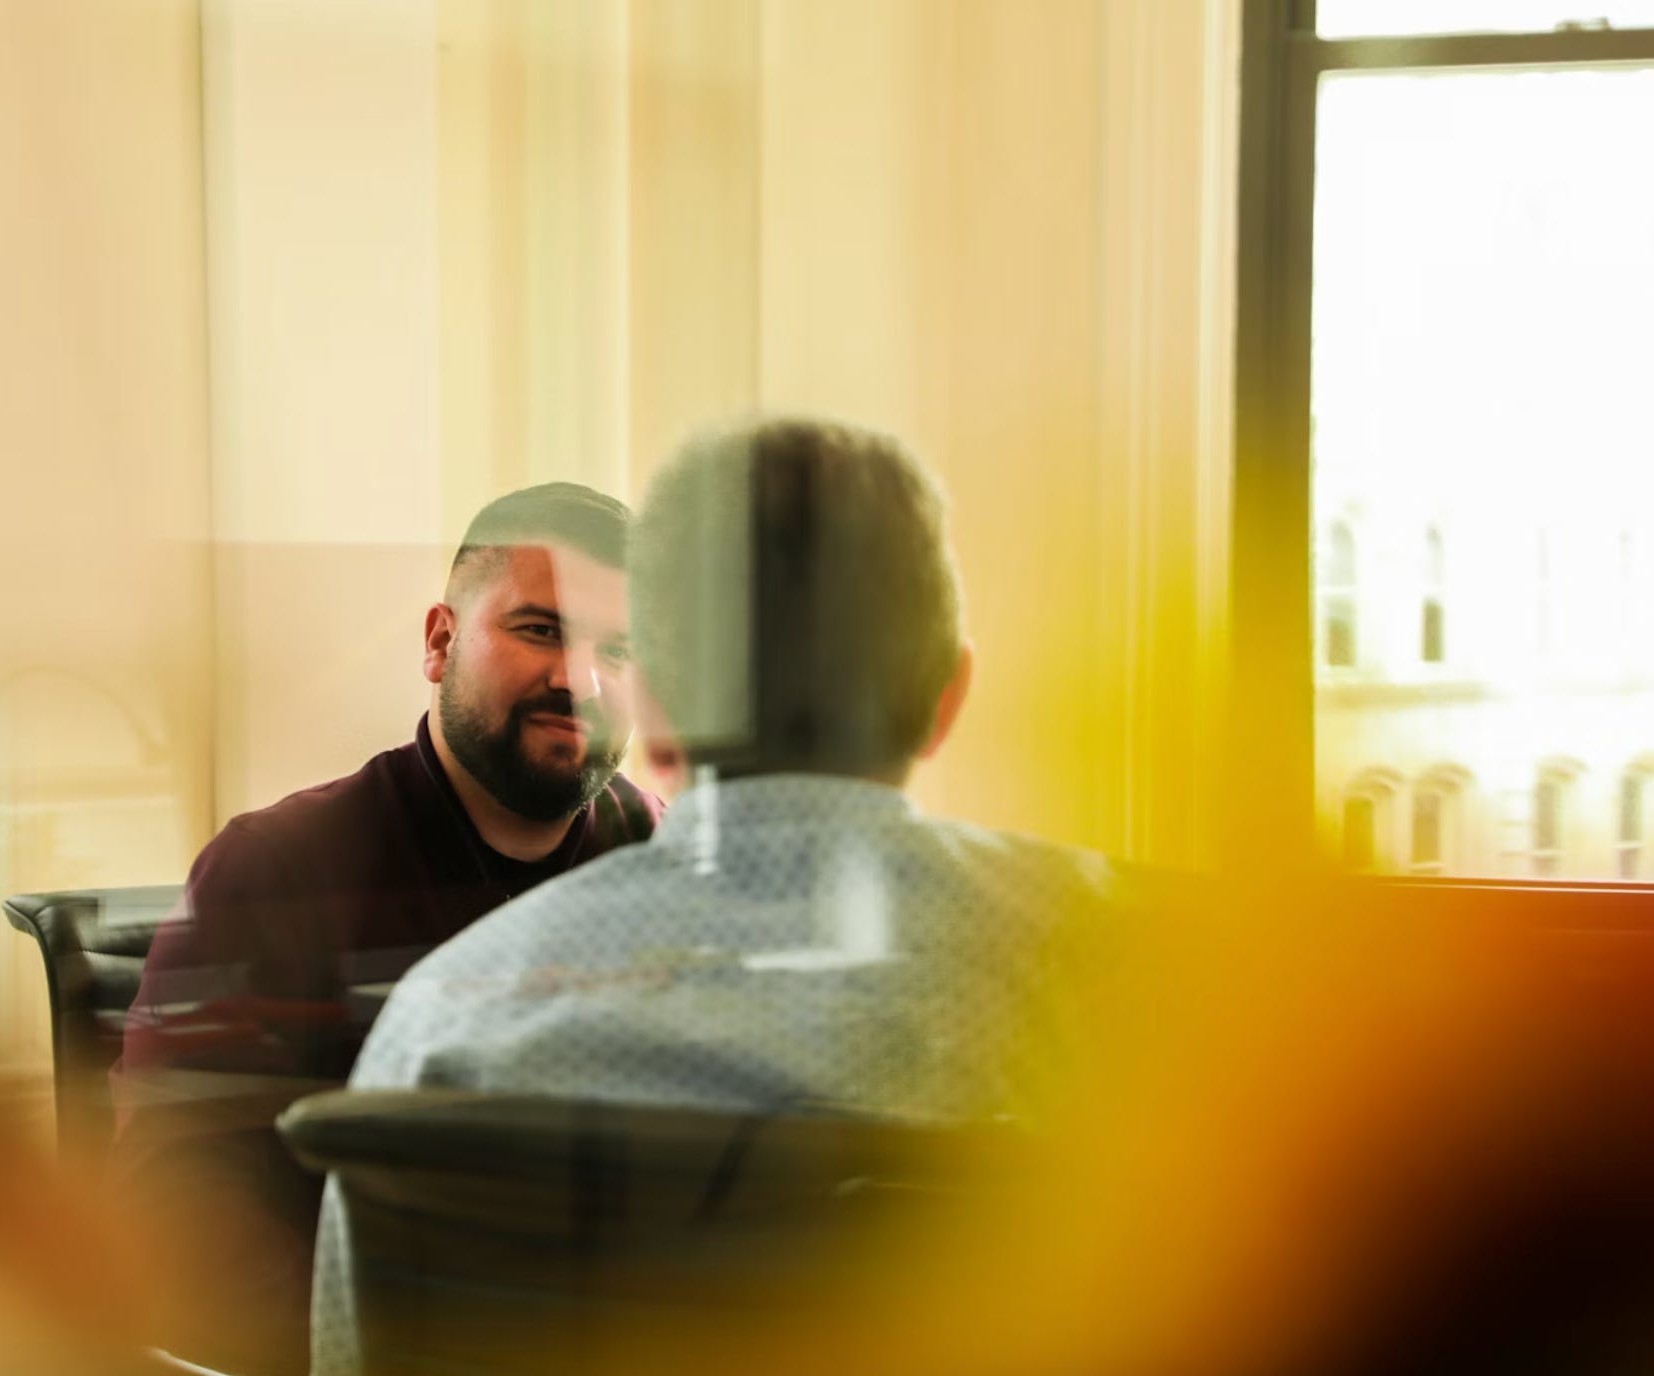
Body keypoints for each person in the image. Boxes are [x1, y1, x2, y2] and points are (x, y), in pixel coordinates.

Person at [306, 417, 1125, 1373]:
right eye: (537, 629)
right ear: (949, 697)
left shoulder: (441, 1035)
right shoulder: (1159, 985)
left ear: (650, 704)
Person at [112, 481, 663, 1373]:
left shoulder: (671, 867)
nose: (580, 680)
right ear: (440, 642)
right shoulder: (276, 871)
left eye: (622, 650)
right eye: (539, 630)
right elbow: (176, 1204)